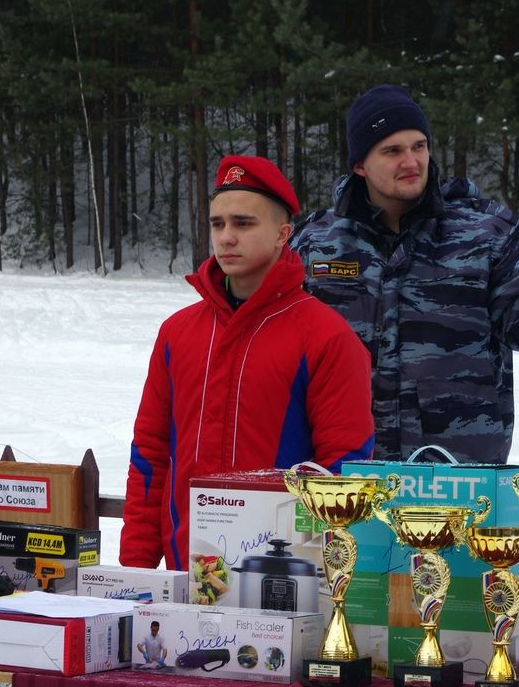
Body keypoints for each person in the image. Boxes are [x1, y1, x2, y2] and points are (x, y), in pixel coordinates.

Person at [291, 84, 519, 465]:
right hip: (346, 480)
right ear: (360, 164)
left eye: (418, 146)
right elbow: (278, 342)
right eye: (392, 151)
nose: (410, 161)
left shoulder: (486, 232)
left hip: (458, 477)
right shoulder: (316, 242)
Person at [120, 155, 375, 571]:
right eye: (217, 224)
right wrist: (136, 571)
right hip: (187, 576)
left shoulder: (326, 336)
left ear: (282, 234)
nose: (226, 238)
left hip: (285, 579)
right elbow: (150, 455)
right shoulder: (178, 332)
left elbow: (344, 470)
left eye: (243, 223)